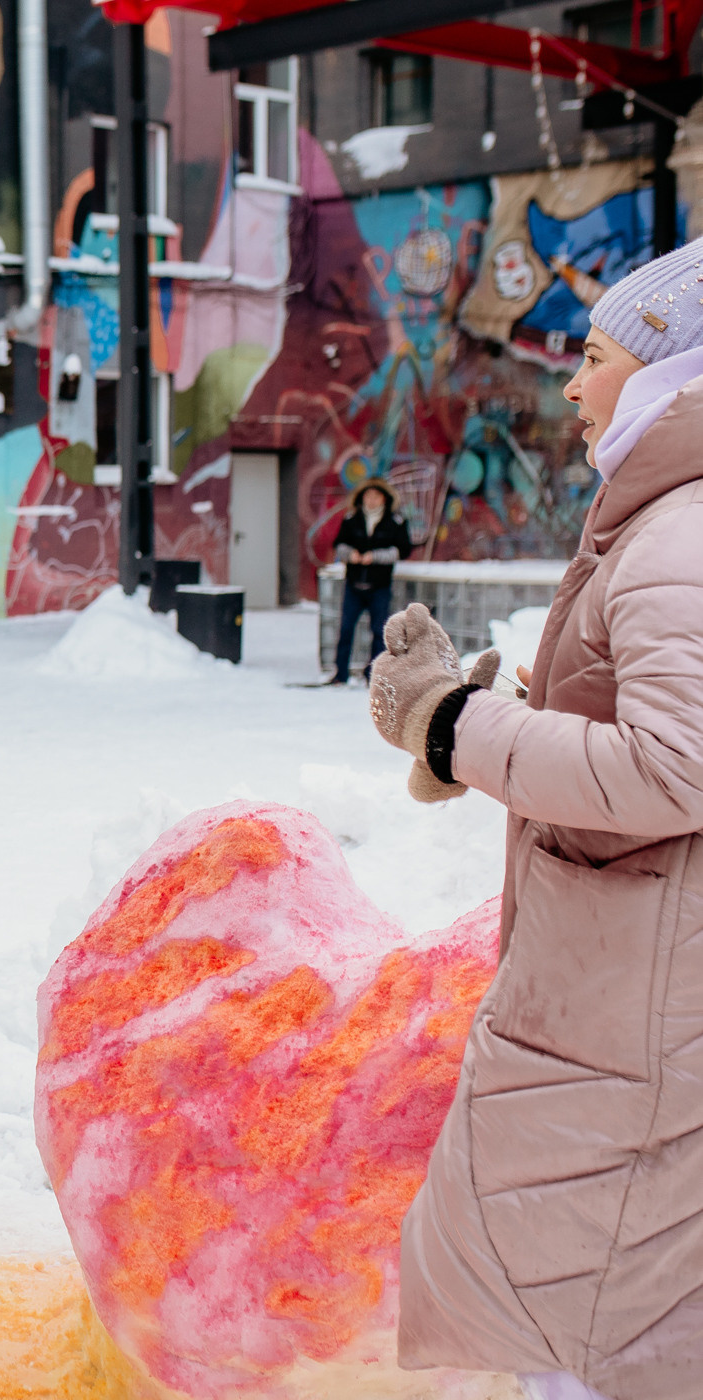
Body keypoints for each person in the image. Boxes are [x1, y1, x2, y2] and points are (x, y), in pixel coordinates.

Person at [369, 248, 703, 1400]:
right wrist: (503, 725)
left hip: (639, 1011)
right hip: (638, 990)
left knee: (585, 1324)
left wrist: (452, 725)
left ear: (674, 378)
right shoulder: (665, 521)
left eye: (598, 359)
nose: (570, 386)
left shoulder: (679, 533)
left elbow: (676, 763)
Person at [327, 478, 413, 684]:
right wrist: (350, 555)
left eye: (376, 496)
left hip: (379, 586)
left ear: (384, 498)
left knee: (378, 631)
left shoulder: (395, 522)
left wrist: (375, 557)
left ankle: (374, 675)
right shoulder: (351, 519)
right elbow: (339, 544)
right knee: (346, 629)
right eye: (368, 496)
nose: (371, 500)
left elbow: (403, 550)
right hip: (354, 584)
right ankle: (340, 674)